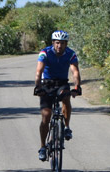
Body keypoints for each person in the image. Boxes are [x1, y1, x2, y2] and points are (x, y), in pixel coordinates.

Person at [34, 30, 81, 161]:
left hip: (61, 83)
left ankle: (66, 127)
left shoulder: (71, 54)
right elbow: (39, 71)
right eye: (57, 43)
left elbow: (75, 72)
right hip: (47, 84)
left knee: (66, 97)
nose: (59, 46)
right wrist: (38, 87)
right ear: (53, 43)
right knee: (46, 116)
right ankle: (43, 147)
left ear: (66, 44)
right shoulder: (45, 53)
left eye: (62, 43)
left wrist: (77, 87)